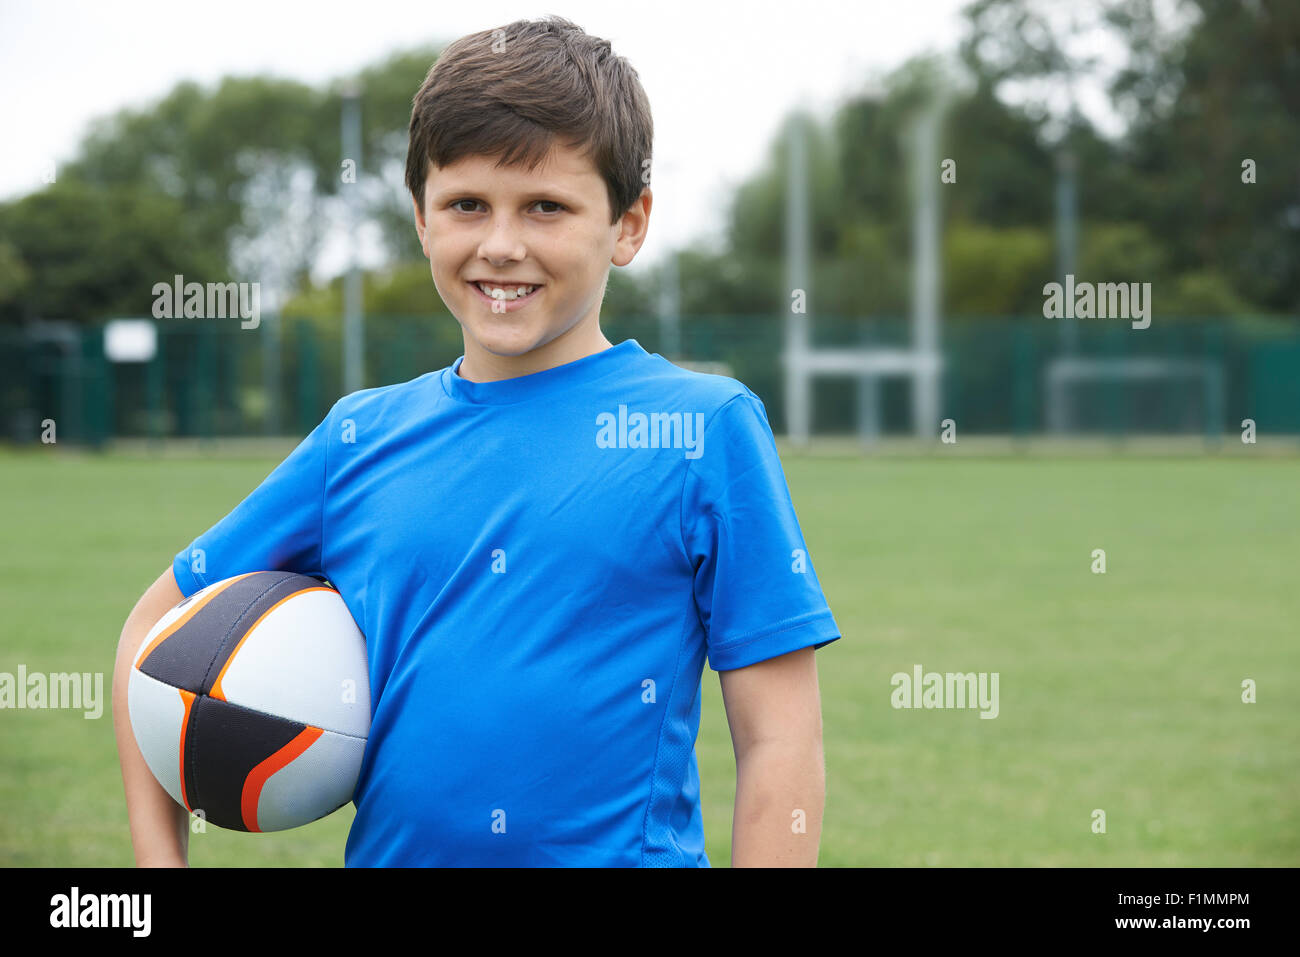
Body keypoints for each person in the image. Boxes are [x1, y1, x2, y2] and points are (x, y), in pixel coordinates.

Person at [114, 15, 841, 867]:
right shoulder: (358, 437)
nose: (502, 244)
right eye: (467, 204)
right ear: (421, 219)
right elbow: (153, 628)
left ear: (629, 224)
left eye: (546, 207)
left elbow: (779, 742)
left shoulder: (704, 429)